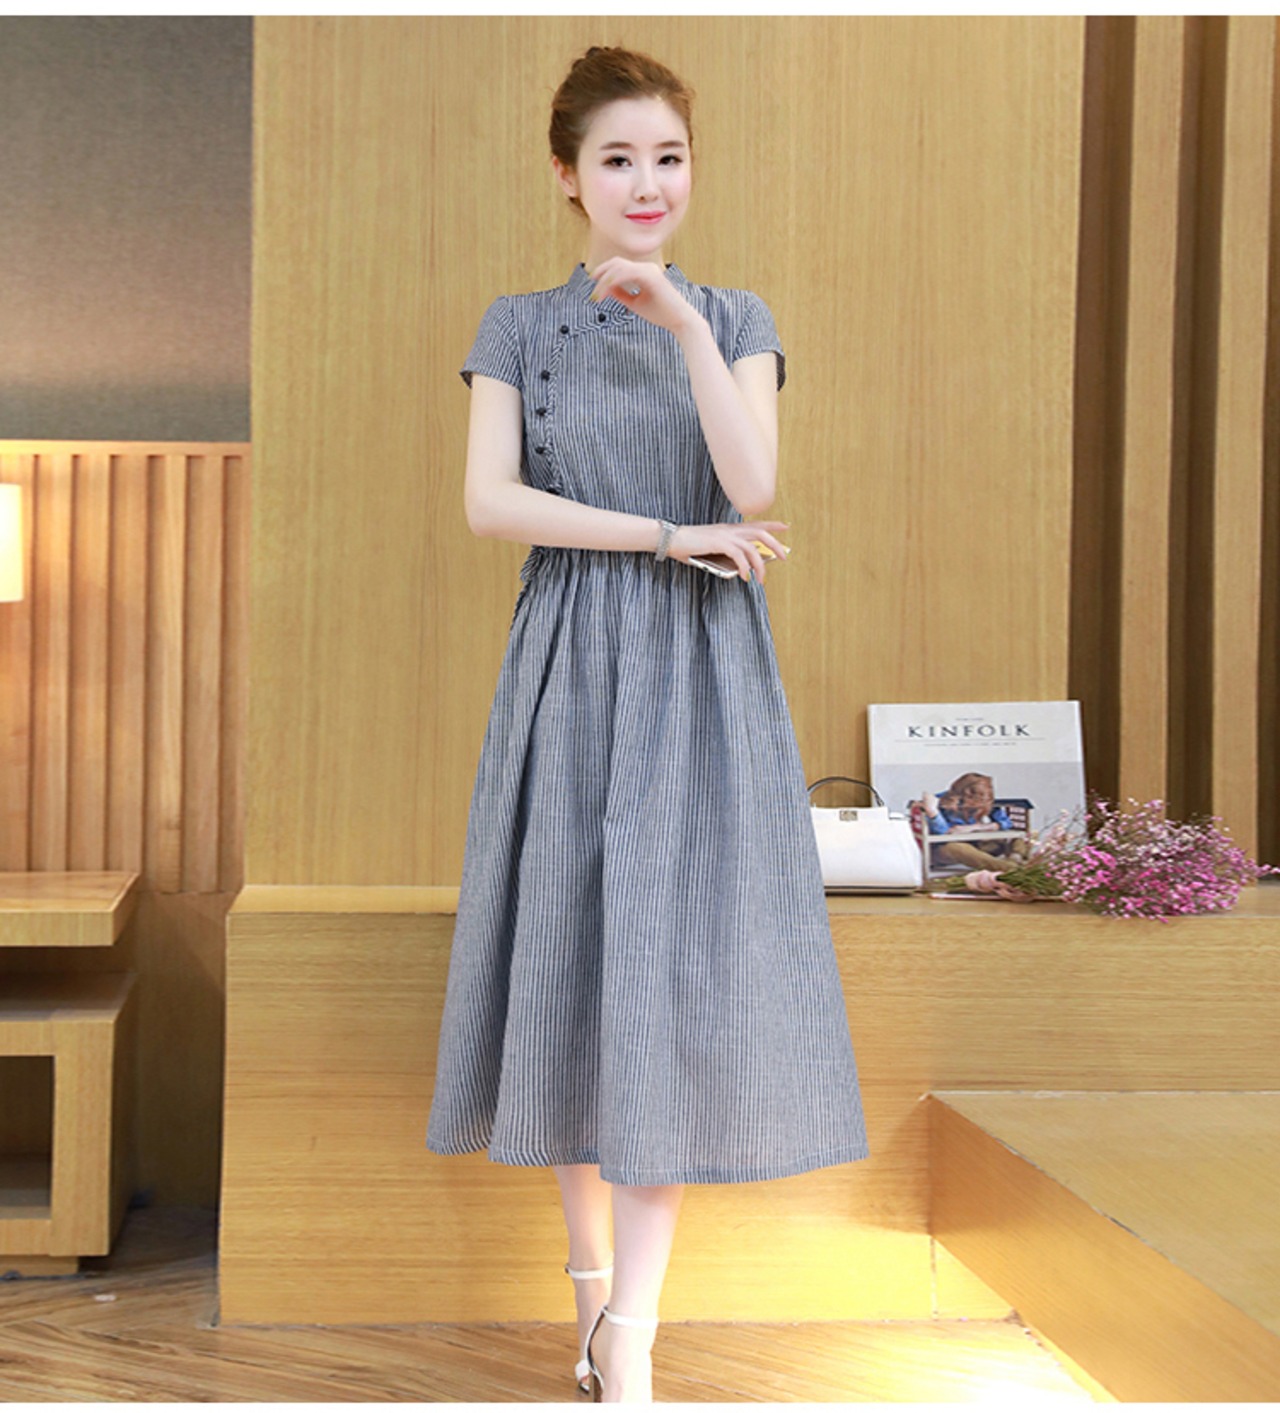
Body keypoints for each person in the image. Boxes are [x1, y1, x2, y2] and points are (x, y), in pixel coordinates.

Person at [425, 45, 869, 1403]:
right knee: (571, 962)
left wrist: (680, 323)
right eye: (617, 159)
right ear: (568, 177)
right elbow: (493, 504)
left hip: (700, 672)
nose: (646, 182)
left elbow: (754, 478)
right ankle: (590, 1300)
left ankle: (634, 1335)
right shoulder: (516, 326)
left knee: (666, 979)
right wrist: (669, 536)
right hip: (568, 658)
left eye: (667, 157)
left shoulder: (733, 316)